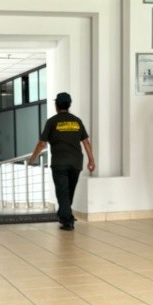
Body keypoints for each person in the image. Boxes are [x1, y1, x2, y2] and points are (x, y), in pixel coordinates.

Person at [28, 92, 95, 231]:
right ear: (69, 105)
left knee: (62, 192)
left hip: (59, 163)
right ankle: (64, 215)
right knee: (69, 191)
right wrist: (91, 160)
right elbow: (86, 142)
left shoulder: (52, 122)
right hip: (76, 163)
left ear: (56, 105)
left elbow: (42, 143)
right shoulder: (77, 121)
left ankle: (67, 220)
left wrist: (33, 158)